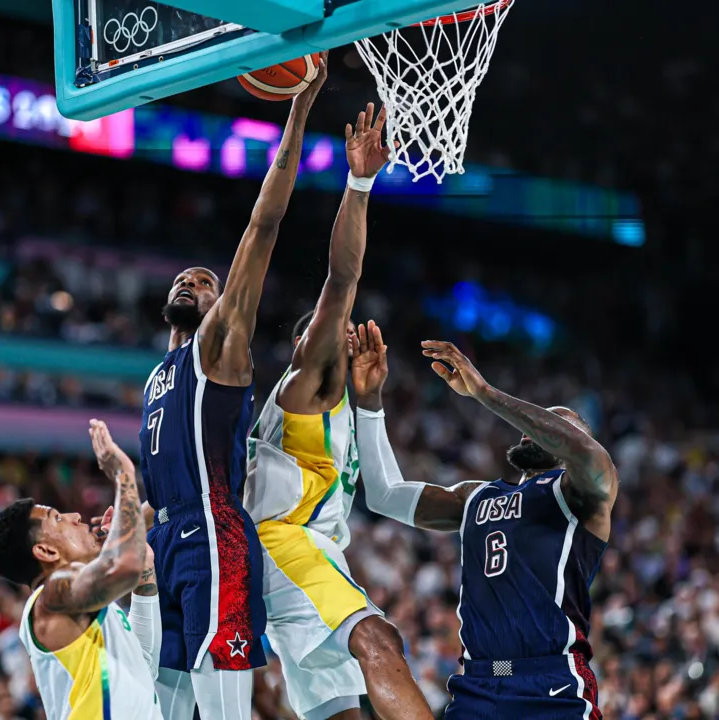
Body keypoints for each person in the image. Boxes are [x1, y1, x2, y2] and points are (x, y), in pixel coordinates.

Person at [138, 55, 328, 720]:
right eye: (179, 280)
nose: (187, 283)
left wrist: (299, 110)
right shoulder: (159, 372)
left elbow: (262, 226)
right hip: (166, 543)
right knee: (162, 708)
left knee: (221, 709)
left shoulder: (220, 346)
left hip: (214, 534)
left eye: (203, 280)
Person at [244, 106, 432, 720]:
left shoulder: (339, 405)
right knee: (378, 640)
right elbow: (343, 276)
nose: (344, 335)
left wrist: (371, 400)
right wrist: (359, 186)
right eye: (331, 332)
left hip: (308, 555)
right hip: (287, 545)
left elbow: (383, 491)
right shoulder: (308, 377)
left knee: (341, 712)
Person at [351, 322, 616, 718]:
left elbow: (587, 455)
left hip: (551, 684)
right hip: (476, 686)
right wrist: (369, 400)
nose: (530, 429)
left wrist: (485, 393)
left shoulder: (583, 494)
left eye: (550, 423)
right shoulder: (477, 496)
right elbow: (383, 494)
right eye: (532, 422)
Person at [0, 420, 162, 719]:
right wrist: (122, 474)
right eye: (56, 517)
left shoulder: (82, 602)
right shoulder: (53, 597)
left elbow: (143, 665)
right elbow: (123, 565)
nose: (75, 515)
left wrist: (144, 575)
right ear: (46, 551)